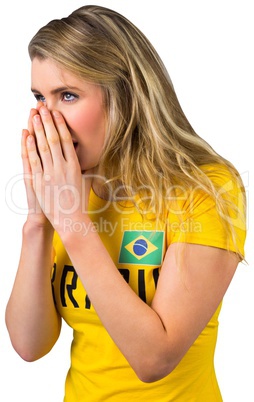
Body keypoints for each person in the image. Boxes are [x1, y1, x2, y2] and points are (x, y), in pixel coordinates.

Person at [5, 5, 246, 402]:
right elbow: (29, 346)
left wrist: (72, 223)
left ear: (125, 97)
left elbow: (155, 358)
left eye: (67, 95)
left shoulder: (209, 188)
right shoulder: (70, 190)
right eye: (38, 98)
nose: (46, 120)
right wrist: (37, 222)